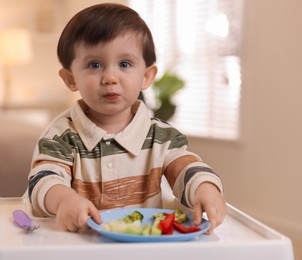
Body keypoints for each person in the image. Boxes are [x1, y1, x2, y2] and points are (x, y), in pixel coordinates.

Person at [27, 3, 226, 234]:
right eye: (94, 65)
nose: (110, 77)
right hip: (82, 245)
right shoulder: (61, 136)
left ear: (146, 76)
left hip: (145, 247)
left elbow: (186, 169)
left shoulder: (161, 137)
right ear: (71, 79)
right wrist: (63, 200)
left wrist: (206, 188)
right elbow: (43, 180)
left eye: (124, 64)